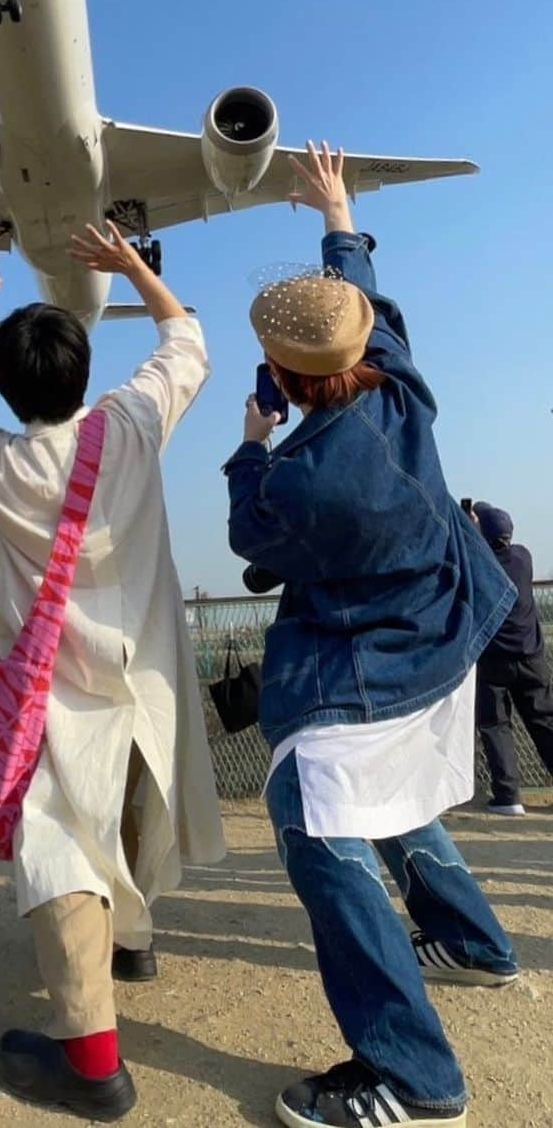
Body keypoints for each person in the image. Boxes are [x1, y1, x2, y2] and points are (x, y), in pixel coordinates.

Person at [225, 142, 519, 1128]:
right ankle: (473, 942)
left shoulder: (307, 480)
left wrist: (251, 443)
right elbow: (361, 298)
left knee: (319, 819)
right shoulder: (399, 385)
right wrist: (337, 211)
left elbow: (252, 536)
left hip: (371, 664)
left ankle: (413, 1071)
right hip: (450, 626)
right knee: (390, 798)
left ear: (279, 373)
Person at [0, 226, 225, 1121]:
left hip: (56, 681)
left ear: (11, 390)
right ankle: (134, 938)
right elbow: (187, 343)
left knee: (55, 840)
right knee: (137, 800)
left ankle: (92, 1060)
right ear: (86, 371)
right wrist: (133, 268)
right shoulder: (130, 425)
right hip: (152, 666)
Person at [471, 502, 553, 815]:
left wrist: (469, 527)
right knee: (544, 721)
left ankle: (508, 797)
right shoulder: (523, 558)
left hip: (493, 660)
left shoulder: (479, 562)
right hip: (531, 656)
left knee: (495, 725)